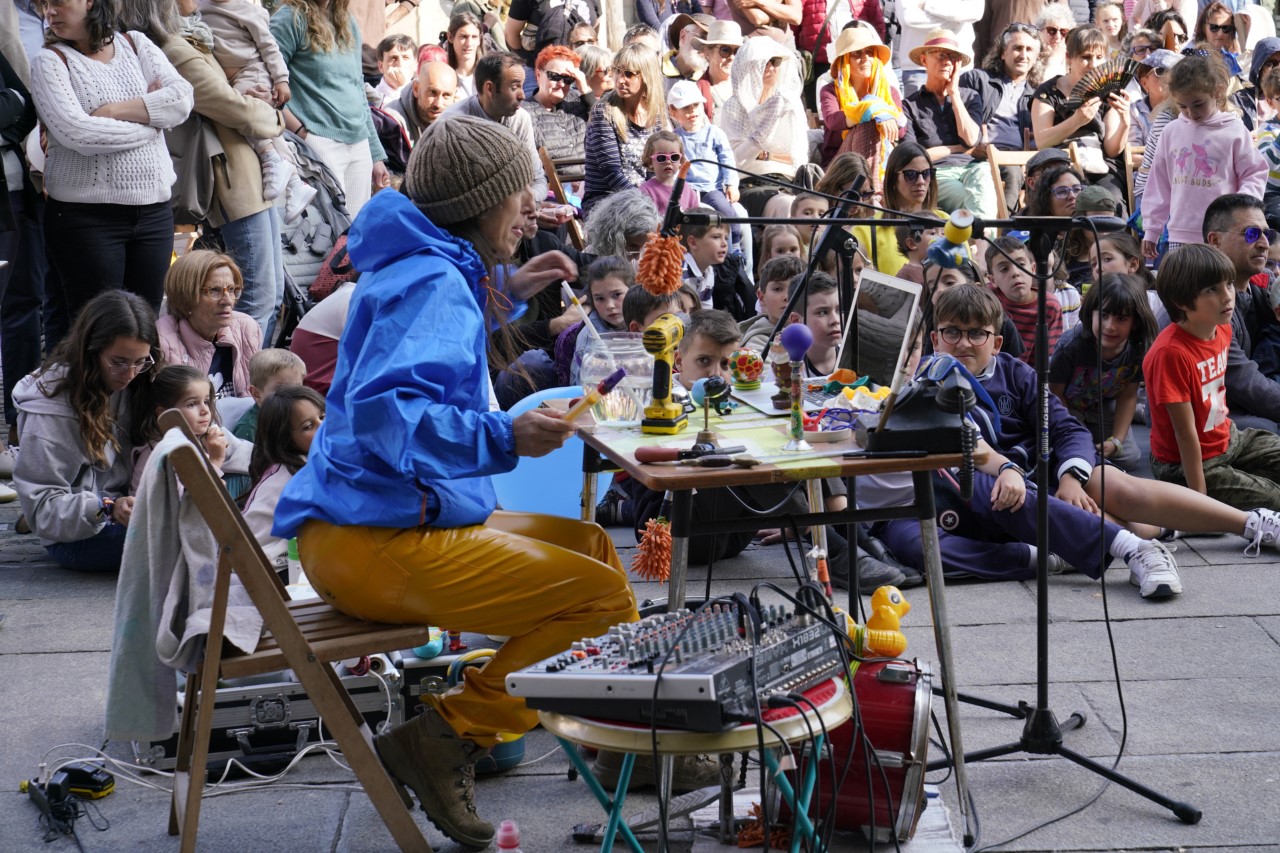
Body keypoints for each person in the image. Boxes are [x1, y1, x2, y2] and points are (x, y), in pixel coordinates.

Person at [272, 117, 638, 849]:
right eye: (518, 193)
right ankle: (447, 736)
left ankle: (622, 737)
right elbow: (388, 416)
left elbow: (417, 355)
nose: (531, 208)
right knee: (598, 601)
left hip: (365, 526)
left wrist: (505, 281)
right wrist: (505, 436)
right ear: (478, 204)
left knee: (596, 552)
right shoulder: (434, 282)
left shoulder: (427, 265)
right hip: (374, 540)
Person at [879, 284, 1280, 597]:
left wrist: (1071, 476)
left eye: (976, 334)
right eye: (952, 332)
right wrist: (1011, 474)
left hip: (1042, 476)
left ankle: (1249, 524)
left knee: (1105, 482)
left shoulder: (1017, 374)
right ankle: (1071, 552)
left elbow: (1067, 428)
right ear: (935, 339)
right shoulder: (925, 387)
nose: (963, 343)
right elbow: (964, 458)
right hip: (983, 499)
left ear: (996, 343)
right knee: (924, 539)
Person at [30, 0, 194, 315]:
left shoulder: (136, 43)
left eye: (57, 2)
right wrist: (150, 122)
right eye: (43, 5)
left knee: (145, 326)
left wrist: (111, 112)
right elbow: (77, 133)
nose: (48, 12)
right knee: (97, 331)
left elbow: (182, 99)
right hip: (86, 220)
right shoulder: (50, 61)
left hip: (153, 214)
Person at [151, 0, 288, 337]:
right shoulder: (174, 48)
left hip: (249, 172)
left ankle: (253, 379)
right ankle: (240, 382)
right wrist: (273, 115)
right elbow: (227, 105)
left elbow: (234, 89)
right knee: (254, 298)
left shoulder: (196, 36)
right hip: (232, 182)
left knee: (273, 295)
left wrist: (254, 93)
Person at [13, 291, 161, 572]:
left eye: (140, 361)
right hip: (81, 533)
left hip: (133, 505)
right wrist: (108, 507)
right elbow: (44, 509)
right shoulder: (50, 410)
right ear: (91, 350)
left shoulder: (142, 380)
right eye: (118, 362)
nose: (130, 373)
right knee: (180, 541)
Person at [1146, 243, 1280, 509]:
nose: (1227, 296)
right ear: (1181, 301)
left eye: (1228, 284)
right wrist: (1200, 501)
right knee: (1274, 498)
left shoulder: (1222, 329)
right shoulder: (1171, 353)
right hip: (1185, 464)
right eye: (1212, 290)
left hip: (1227, 437)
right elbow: (1185, 434)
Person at [195, 0, 315, 219]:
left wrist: (281, 79)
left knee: (242, 112)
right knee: (265, 130)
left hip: (252, 70)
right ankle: (297, 184)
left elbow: (269, 45)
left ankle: (269, 156)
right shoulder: (199, 6)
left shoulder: (248, 10)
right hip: (231, 77)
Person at [1141, 53, 1267, 259]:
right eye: (1182, 106)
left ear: (1217, 92)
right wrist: (1152, 229)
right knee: (1185, 288)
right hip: (1179, 234)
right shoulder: (1171, 131)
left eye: (1198, 104)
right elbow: (1158, 184)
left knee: (1218, 286)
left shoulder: (1234, 130)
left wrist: (1242, 210)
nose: (1191, 112)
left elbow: (1254, 172)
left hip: (1223, 235)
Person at [271, 0, 389, 216]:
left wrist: (375, 154)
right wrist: (301, 133)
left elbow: (357, 89)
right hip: (319, 142)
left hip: (358, 144)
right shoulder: (290, 18)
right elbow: (267, 82)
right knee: (325, 238)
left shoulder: (348, 21)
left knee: (354, 237)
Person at [1050, 273, 1157, 472]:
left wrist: (1116, 440)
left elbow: (1127, 396)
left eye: (1121, 318)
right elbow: (1055, 395)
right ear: (1091, 313)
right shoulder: (1071, 346)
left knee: (1129, 458)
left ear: (1135, 321)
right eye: (1104, 315)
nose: (1110, 326)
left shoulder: (1138, 349)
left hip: (1104, 406)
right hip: (1068, 407)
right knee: (1072, 452)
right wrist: (1076, 434)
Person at [1031, 25, 1133, 206]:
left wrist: (1125, 121)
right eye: (1086, 57)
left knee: (1111, 199)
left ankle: (1110, 235)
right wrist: (1077, 120)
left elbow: (1111, 149)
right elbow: (1042, 141)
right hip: (1059, 168)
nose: (1093, 64)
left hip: (1100, 168)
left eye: (1099, 58)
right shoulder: (1048, 92)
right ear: (1069, 58)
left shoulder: (1109, 92)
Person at [1203, 194, 1280, 427]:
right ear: (1215, 240)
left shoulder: (1262, 284)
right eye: (1251, 233)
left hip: (1243, 403)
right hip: (1208, 413)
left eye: (1267, 234)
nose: (1264, 243)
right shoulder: (1202, 299)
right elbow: (1242, 381)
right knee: (1268, 430)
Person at [902, 29, 995, 220]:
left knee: (983, 180)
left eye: (953, 57)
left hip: (973, 167)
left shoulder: (970, 96)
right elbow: (914, 156)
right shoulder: (910, 105)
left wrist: (954, 93)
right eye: (941, 55)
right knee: (971, 199)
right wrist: (956, 148)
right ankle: (983, 246)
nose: (947, 61)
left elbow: (970, 139)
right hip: (936, 172)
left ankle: (980, 246)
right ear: (924, 59)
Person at [440, 52, 548, 206]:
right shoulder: (453, 125)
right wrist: (517, 208)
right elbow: (457, 195)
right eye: (514, 87)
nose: (523, 95)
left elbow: (537, 179)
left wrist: (528, 205)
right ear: (490, 89)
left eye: (522, 86)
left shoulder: (520, 118)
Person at [719, 36, 809, 216]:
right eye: (764, 62)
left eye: (775, 61)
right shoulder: (733, 106)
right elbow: (735, 161)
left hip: (789, 183)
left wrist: (762, 154)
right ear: (748, 66)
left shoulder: (787, 102)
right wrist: (762, 137)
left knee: (812, 208)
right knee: (787, 206)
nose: (771, 67)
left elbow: (798, 158)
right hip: (751, 185)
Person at [128, 363, 250, 494]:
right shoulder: (163, 453)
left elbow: (247, 454)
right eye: (192, 404)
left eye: (206, 401)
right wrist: (215, 461)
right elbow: (190, 503)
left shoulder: (195, 437)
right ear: (164, 413)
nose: (205, 410)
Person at [243, 384, 324, 580]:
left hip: (282, 559)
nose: (323, 426)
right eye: (308, 426)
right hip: (271, 569)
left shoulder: (304, 463)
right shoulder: (299, 473)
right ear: (285, 439)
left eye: (323, 416)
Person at [156, 250, 263, 400]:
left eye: (231, 290)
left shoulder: (247, 328)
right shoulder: (163, 343)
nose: (227, 301)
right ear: (185, 297)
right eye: (214, 291)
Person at [582, 42, 668, 214]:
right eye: (617, 71)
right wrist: (646, 202)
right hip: (606, 201)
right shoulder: (604, 112)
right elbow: (611, 172)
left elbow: (654, 168)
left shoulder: (655, 113)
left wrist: (658, 197)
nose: (620, 80)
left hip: (642, 199)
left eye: (629, 74)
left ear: (646, 76)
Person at [973, 22, 1046, 214]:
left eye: (1029, 49)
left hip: (1021, 157)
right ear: (1003, 53)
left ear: (1036, 56)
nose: (1023, 55)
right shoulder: (978, 80)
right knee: (1013, 173)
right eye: (1017, 48)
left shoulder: (1040, 94)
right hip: (981, 154)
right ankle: (1005, 235)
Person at [819, 25, 904, 181]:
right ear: (844, 61)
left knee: (872, 125)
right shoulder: (830, 91)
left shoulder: (890, 91)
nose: (865, 58)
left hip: (884, 160)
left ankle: (873, 191)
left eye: (870, 53)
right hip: (839, 166)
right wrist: (871, 107)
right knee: (868, 125)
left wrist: (878, 110)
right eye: (857, 54)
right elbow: (833, 121)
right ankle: (873, 193)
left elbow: (901, 130)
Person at [667, 80, 740, 251]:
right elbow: (674, 167)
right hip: (687, 191)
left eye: (696, 105)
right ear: (673, 112)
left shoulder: (714, 132)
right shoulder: (674, 138)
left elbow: (727, 159)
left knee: (729, 217)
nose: (692, 111)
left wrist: (731, 184)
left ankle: (735, 250)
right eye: (685, 107)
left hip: (710, 190)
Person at [521, 44, 589, 189]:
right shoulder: (523, 112)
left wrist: (584, 88)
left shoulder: (579, 100)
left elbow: (605, 124)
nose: (561, 83)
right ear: (538, 75)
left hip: (590, 184)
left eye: (568, 79)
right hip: (552, 192)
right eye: (554, 76)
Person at [986, 235, 1062, 362]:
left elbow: (1047, 360)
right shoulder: (987, 299)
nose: (1015, 273)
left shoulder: (1049, 305)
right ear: (993, 280)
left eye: (1021, 264)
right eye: (1004, 269)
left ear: (1032, 269)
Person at [894, 0, 982, 97]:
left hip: (958, 65)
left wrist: (927, 5)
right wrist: (956, 21)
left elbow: (975, 12)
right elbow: (909, 18)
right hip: (918, 68)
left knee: (959, 110)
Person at [231, 348, 307, 441]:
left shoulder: (298, 414)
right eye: (281, 389)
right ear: (256, 393)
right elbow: (240, 455)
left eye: (297, 388)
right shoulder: (249, 429)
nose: (292, 394)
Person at [504, 0, 600, 69]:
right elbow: (511, 33)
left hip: (584, 70)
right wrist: (529, 59)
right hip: (539, 72)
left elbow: (595, 28)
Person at [385, 58, 457, 144]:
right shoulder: (392, 120)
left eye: (446, 95)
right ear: (416, 89)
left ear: (454, 95)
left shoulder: (458, 120)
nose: (438, 104)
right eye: (432, 93)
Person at [740, 254, 805, 351]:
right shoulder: (756, 344)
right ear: (762, 297)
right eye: (778, 289)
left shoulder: (818, 332)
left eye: (796, 288)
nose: (787, 296)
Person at [638, 129, 699, 215]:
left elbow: (695, 222)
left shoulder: (688, 191)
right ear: (650, 162)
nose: (668, 161)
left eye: (674, 157)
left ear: (680, 160)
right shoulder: (645, 191)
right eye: (661, 158)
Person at [693, 18, 741, 120]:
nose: (732, 57)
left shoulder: (746, 86)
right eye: (725, 50)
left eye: (737, 51)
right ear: (707, 53)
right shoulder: (695, 92)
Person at [1130, 47, 1178, 144]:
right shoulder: (1135, 111)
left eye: (1174, 71)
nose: (1168, 76)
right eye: (1160, 71)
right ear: (1144, 82)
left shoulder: (1186, 108)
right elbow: (1133, 153)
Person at [662, 11, 712, 88]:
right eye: (702, 37)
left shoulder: (709, 81)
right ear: (683, 36)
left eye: (711, 44)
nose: (706, 47)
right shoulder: (655, 68)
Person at [443, 11, 483, 98]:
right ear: (450, 37)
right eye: (464, 37)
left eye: (474, 37)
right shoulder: (442, 74)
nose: (469, 43)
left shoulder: (489, 74)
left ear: (479, 39)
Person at [1035, 3, 1077, 82]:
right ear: (1040, 31)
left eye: (1063, 32)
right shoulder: (1033, 56)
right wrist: (1050, 59)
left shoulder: (1073, 59)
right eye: (1052, 31)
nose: (1057, 36)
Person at [372, 32, 415, 103]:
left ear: (415, 64)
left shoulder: (422, 94)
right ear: (381, 66)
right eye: (393, 58)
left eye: (406, 57)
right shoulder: (373, 99)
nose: (400, 63)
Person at [575, 43, 613, 108]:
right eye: (606, 70)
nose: (611, 73)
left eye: (612, 68)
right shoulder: (570, 102)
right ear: (586, 75)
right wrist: (587, 95)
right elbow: (599, 116)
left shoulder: (619, 98)